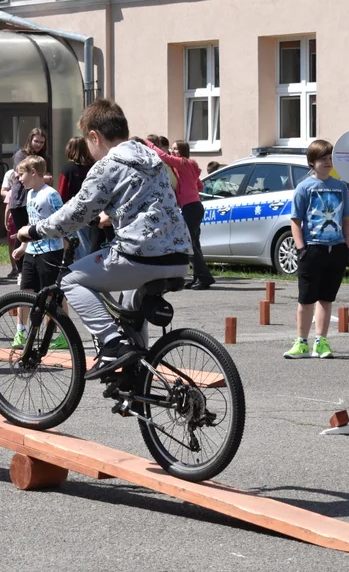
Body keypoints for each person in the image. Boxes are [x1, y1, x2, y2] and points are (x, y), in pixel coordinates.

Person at [16, 100, 192, 379]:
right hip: (180, 256)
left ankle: (111, 344)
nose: (89, 152)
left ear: (95, 136)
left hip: (140, 255)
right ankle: (136, 377)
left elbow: (75, 213)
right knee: (130, 305)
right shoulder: (152, 158)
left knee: (70, 280)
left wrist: (35, 230)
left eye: (88, 143)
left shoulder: (108, 164)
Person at [283, 140, 349, 360]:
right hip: (312, 249)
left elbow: (346, 218)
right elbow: (296, 220)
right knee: (306, 299)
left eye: (330, 159)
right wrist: (301, 248)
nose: (328, 163)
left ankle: (321, 341)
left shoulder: (340, 186)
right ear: (312, 162)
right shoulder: (304, 188)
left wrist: (347, 245)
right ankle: (301, 342)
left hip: (336, 248)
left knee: (326, 298)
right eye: (323, 159)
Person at [11, 155, 66, 349]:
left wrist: (65, 245)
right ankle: (20, 333)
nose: (19, 179)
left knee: (51, 295)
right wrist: (23, 247)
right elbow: (31, 223)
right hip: (32, 251)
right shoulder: (29, 194)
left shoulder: (50, 194)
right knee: (25, 292)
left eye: (21, 175)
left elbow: (63, 221)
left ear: (33, 172)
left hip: (50, 251)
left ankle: (60, 335)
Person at [163, 140, 214, 290]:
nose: (172, 152)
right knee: (194, 244)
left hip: (192, 208)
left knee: (189, 245)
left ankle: (205, 278)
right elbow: (200, 185)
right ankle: (198, 277)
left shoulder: (184, 163)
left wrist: (147, 144)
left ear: (182, 151)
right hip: (193, 207)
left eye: (175, 149)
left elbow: (163, 157)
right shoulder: (186, 167)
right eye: (172, 149)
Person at [57, 136, 94, 259]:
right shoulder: (93, 167)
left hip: (73, 210)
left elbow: (62, 193)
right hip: (92, 210)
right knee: (90, 241)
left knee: (78, 244)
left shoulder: (68, 169)